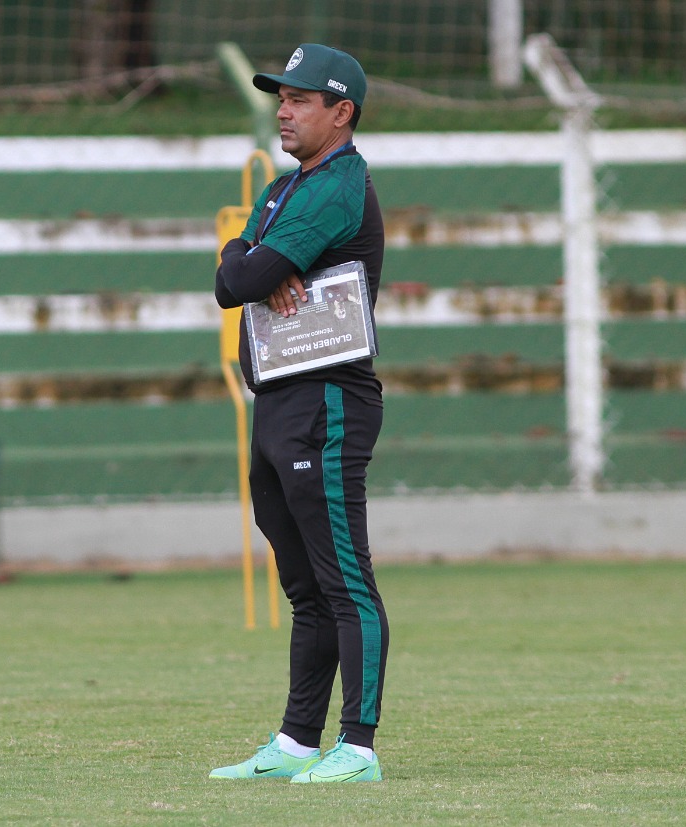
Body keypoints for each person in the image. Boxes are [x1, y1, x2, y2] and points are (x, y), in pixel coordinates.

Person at [210, 43, 389, 784]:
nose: (283, 110)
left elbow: (242, 277)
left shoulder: (337, 186)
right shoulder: (287, 187)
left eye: (300, 99)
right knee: (304, 587)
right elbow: (237, 268)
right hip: (277, 399)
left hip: (327, 402)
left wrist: (255, 266)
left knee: (345, 579)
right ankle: (294, 741)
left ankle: (360, 746)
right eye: (280, 97)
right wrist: (247, 257)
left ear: (340, 112)